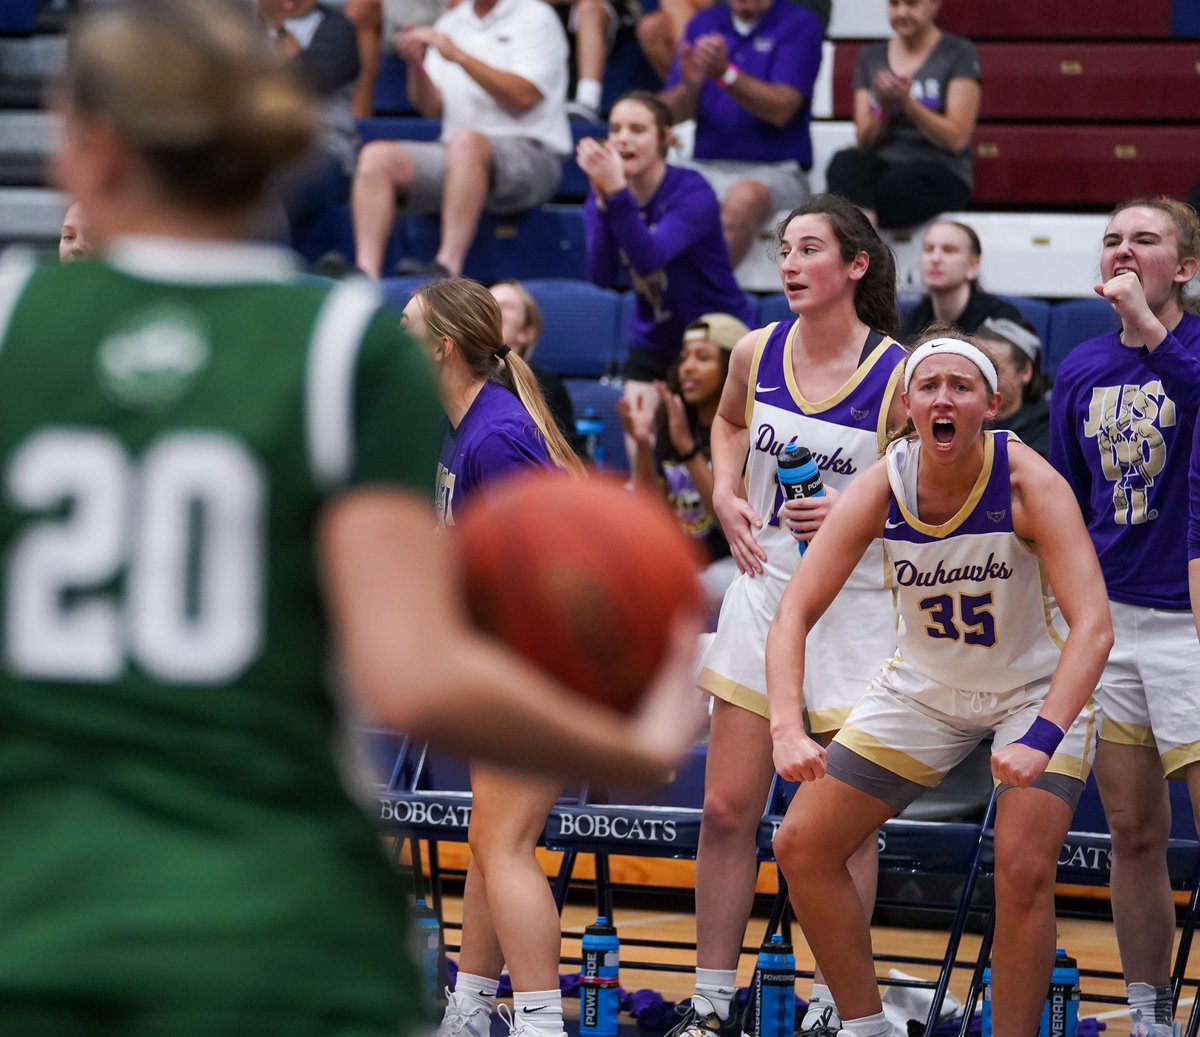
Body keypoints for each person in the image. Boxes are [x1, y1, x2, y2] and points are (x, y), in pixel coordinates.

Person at [0, 3, 704, 1033]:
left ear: (82, 146)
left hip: (42, 908)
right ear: (274, 144)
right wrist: (627, 744)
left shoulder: (14, 324)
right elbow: (413, 671)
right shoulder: (338, 349)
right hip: (280, 919)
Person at [767, 333, 1113, 1037]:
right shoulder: (883, 484)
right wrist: (785, 726)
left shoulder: (1029, 483)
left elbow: (1095, 628)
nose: (943, 398)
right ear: (907, 405)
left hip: (1035, 691)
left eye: (961, 386)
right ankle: (865, 1026)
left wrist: (1044, 735)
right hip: (926, 687)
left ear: (992, 403)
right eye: (929, 386)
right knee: (801, 843)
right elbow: (794, 612)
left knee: (1021, 870)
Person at [675, 194, 907, 1037]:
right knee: (725, 809)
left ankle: (832, 1006)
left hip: (857, 607)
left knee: (840, 831)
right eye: (782, 249)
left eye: (809, 248)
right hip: (764, 585)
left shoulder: (900, 375)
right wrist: (724, 491)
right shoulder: (758, 349)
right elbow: (728, 422)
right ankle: (708, 1004)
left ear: (855, 265)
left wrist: (855, 510)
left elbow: (935, 496)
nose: (789, 264)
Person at [401, 278, 582, 1037]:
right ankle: (472, 1009)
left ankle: (539, 1021)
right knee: (490, 840)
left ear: (442, 347)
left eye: (405, 327)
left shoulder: (497, 435)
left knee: (503, 845)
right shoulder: (464, 426)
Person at [1050, 196, 1200, 1037]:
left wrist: (1150, 328)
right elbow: (1068, 503)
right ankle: (1149, 1011)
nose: (1124, 248)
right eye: (1112, 238)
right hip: (1109, 624)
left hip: (1191, 625)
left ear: (1185, 267)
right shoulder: (1080, 368)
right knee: (1134, 833)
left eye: (1146, 238)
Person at [578, 90, 753, 463]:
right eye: (615, 129)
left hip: (715, 336)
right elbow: (602, 275)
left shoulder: (692, 191)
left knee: (720, 463)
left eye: (637, 129)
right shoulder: (606, 195)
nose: (623, 138)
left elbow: (649, 258)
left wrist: (616, 195)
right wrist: (603, 204)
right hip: (654, 339)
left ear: (665, 138)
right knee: (642, 451)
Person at [351, 0, 571, 280]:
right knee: (376, 157)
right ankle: (366, 273)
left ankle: (447, 267)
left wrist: (458, 56)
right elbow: (432, 108)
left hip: (530, 153)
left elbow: (524, 96)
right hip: (459, 156)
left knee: (466, 144)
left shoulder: (535, 16)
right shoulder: (451, 22)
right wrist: (417, 66)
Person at [658, 0, 824, 266]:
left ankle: (709, 289)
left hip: (778, 169)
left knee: (743, 200)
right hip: (705, 165)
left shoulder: (800, 24)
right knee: (650, 197)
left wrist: (726, 75)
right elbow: (670, 116)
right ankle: (657, 290)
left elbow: (782, 109)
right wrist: (689, 87)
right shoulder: (704, 23)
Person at [619, 312, 747, 616]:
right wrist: (643, 446)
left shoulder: (746, 431)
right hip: (680, 556)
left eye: (703, 357)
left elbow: (735, 525)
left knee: (683, 589)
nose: (688, 367)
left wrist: (688, 451)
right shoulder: (674, 419)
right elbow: (652, 508)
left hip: (731, 561)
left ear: (732, 367)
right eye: (685, 357)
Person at [825, 0, 980, 231]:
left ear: (935, 5)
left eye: (912, 4)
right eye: (894, 4)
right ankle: (863, 241)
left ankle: (860, 242)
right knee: (843, 163)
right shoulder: (871, 56)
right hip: (882, 165)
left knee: (872, 192)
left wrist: (908, 104)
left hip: (938, 169)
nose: (902, 12)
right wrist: (883, 108)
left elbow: (956, 139)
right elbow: (864, 140)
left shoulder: (958, 52)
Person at [258, 0, 361, 244]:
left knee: (273, 190)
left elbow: (312, 81)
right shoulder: (237, 27)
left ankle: (266, 262)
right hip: (256, 147)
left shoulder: (337, 27)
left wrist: (278, 31)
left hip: (323, 150)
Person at [898, 220, 1024, 342]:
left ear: (973, 264)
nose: (935, 259)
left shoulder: (1001, 319)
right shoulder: (909, 321)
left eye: (949, 250)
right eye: (928, 249)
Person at [489, 279, 578, 449]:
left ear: (526, 333)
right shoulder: (459, 375)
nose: (492, 308)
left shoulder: (545, 386)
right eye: (488, 302)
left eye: (506, 306)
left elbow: (566, 453)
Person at [974, 316, 1049, 456]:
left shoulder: (1047, 431)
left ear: (1025, 371)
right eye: (978, 369)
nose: (984, 381)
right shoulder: (958, 417)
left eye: (995, 371)